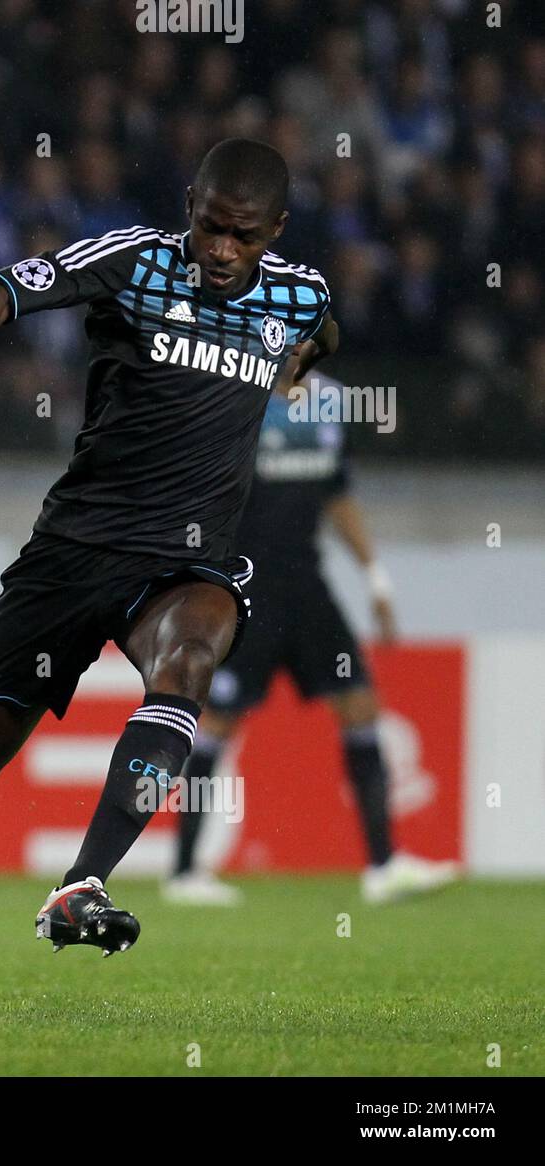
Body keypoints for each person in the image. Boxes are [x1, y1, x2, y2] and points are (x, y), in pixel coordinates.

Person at [0, 138, 336, 956]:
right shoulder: (137, 262)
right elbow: (8, 286)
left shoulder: (298, 295)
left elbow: (324, 328)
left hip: (189, 561)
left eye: (244, 237)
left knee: (188, 663)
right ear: (190, 204)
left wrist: (298, 359)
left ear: (276, 231)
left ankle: (82, 885)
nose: (223, 251)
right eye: (212, 227)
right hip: (75, 551)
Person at [163, 381, 459, 907]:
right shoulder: (233, 396)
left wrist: (376, 578)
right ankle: (184, 871)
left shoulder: (331, 402)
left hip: (307, 587)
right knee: (215, 720)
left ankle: (383, 867)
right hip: (247, 587)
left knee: (361, 704)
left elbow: (338, 496)